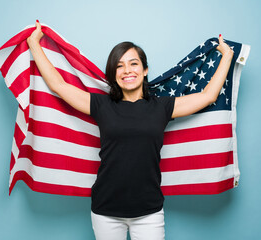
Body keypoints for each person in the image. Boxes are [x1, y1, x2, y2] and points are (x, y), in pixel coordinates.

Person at [27, 20, 234, 240]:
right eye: (119, 65)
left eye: (134, 64)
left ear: (145, 70)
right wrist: (34, 44)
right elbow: (59, 85)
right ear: (113, 74)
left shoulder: (162, 107)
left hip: (149, 211)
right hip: (106, 210)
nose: (127, 70)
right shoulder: (101, 105)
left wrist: (227, 56)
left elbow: (207, 96)